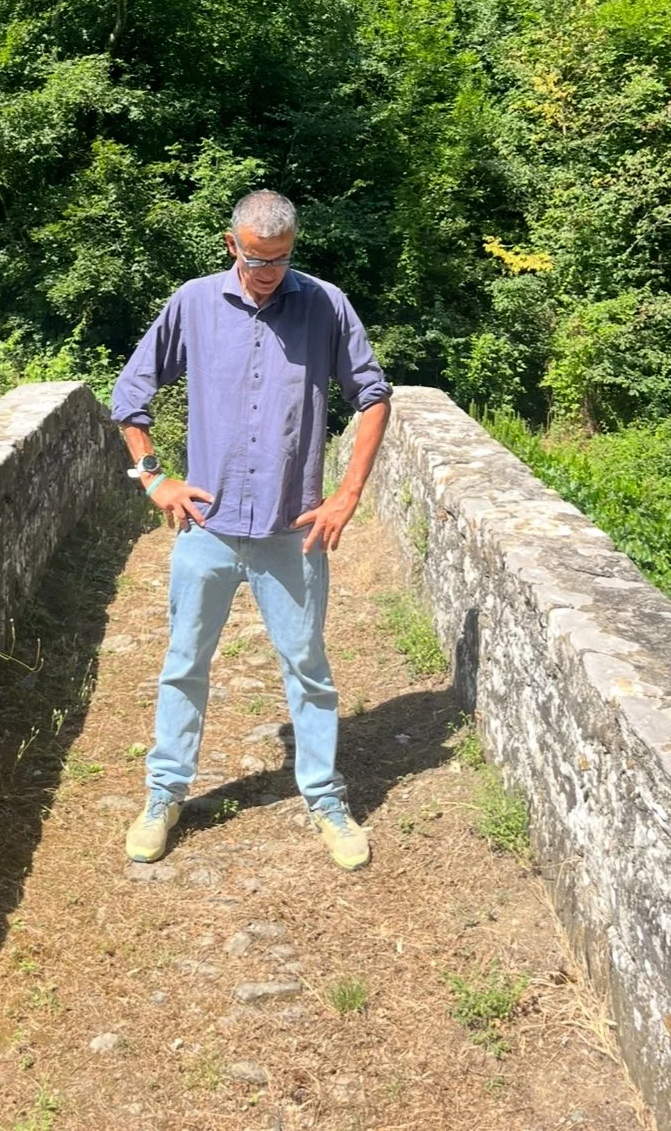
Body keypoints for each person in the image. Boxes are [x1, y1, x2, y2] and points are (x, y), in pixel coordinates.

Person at [110, 190, 392, 870]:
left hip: (291, 531)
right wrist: (154, 480)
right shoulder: (194, 303)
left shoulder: (325, 304)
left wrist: (347, 493)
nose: (268, 272)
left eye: (280, 259)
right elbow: (130, 396)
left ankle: (325, 799)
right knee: (183, 664)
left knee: (308, 669)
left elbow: (373, 395)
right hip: (206, 527)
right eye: (256, 258)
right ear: (231, 243)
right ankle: (163, 795)